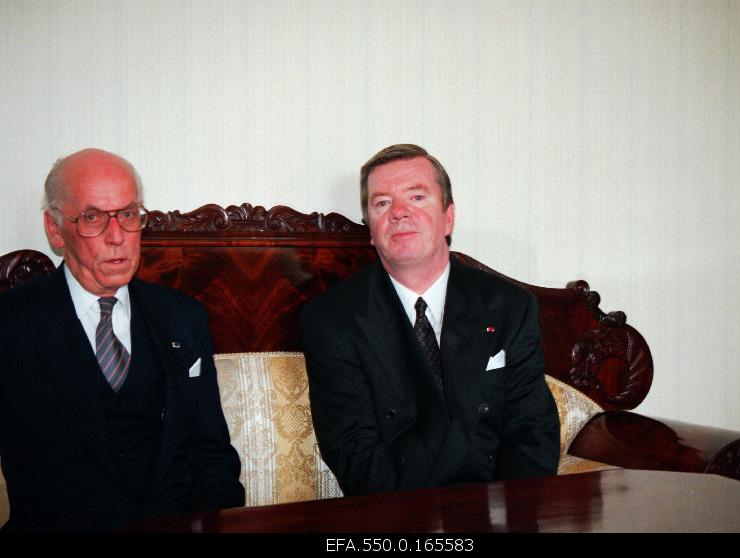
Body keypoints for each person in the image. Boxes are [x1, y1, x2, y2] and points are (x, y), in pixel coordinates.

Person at [0, 148, 244, 532]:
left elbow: (212, 453)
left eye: (128, 214)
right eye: (93, 217)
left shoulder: (182, 317)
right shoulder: (11, 323)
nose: (117, 237)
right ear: (55, 228)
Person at [301, 144, 560, 496]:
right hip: (397, 511)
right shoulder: (333, 319)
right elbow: (354, 453)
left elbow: (532, 432)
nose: (399, 213)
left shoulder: (509, 307)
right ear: (371, 229)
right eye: (382, 203)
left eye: (417, 197)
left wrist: (503, 512)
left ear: (448, 217)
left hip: (500, 507)